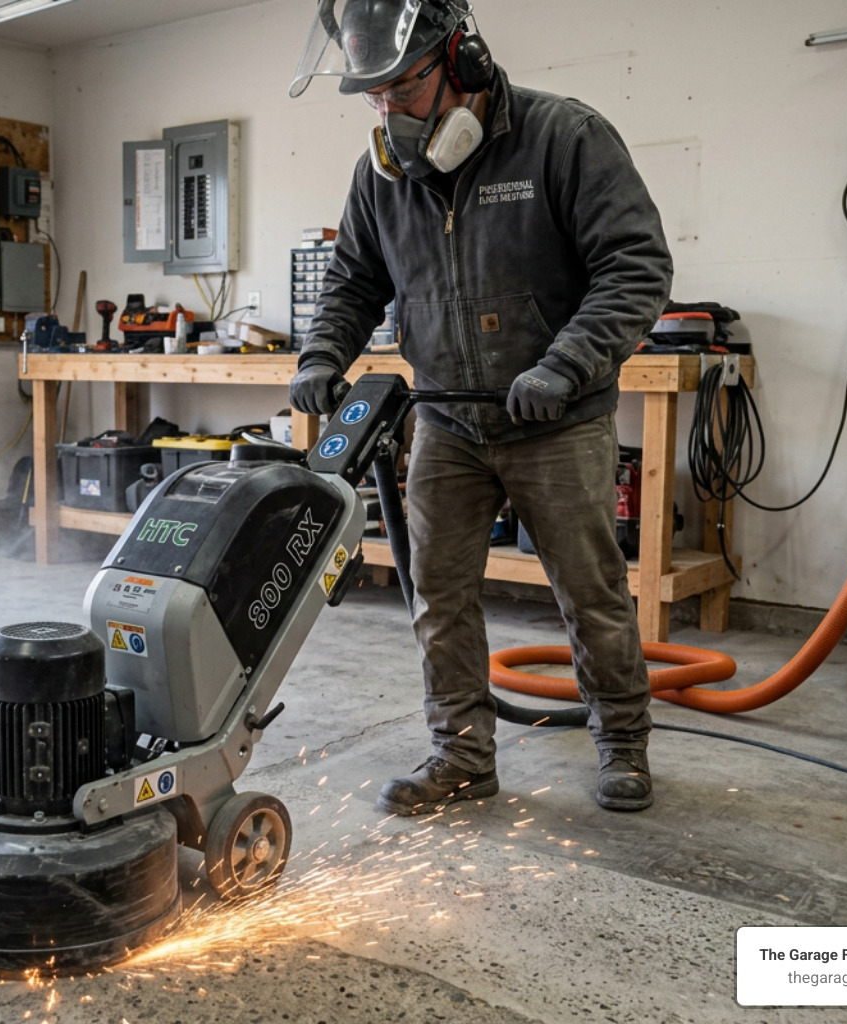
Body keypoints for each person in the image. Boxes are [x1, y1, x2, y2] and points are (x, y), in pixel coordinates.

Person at [288, 0, 673, 815]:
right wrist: (323, 355)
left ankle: (622, 746)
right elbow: (354, 283)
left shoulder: (563, 137)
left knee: (590, 593)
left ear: (462, 60)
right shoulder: (383, 177)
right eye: (374, 96)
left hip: (556, 420)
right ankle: (462, 753)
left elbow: (635, 267)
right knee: (439, 595)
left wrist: (565, 365)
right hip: (448, 424)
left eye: (403, 87)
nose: (388, 112)